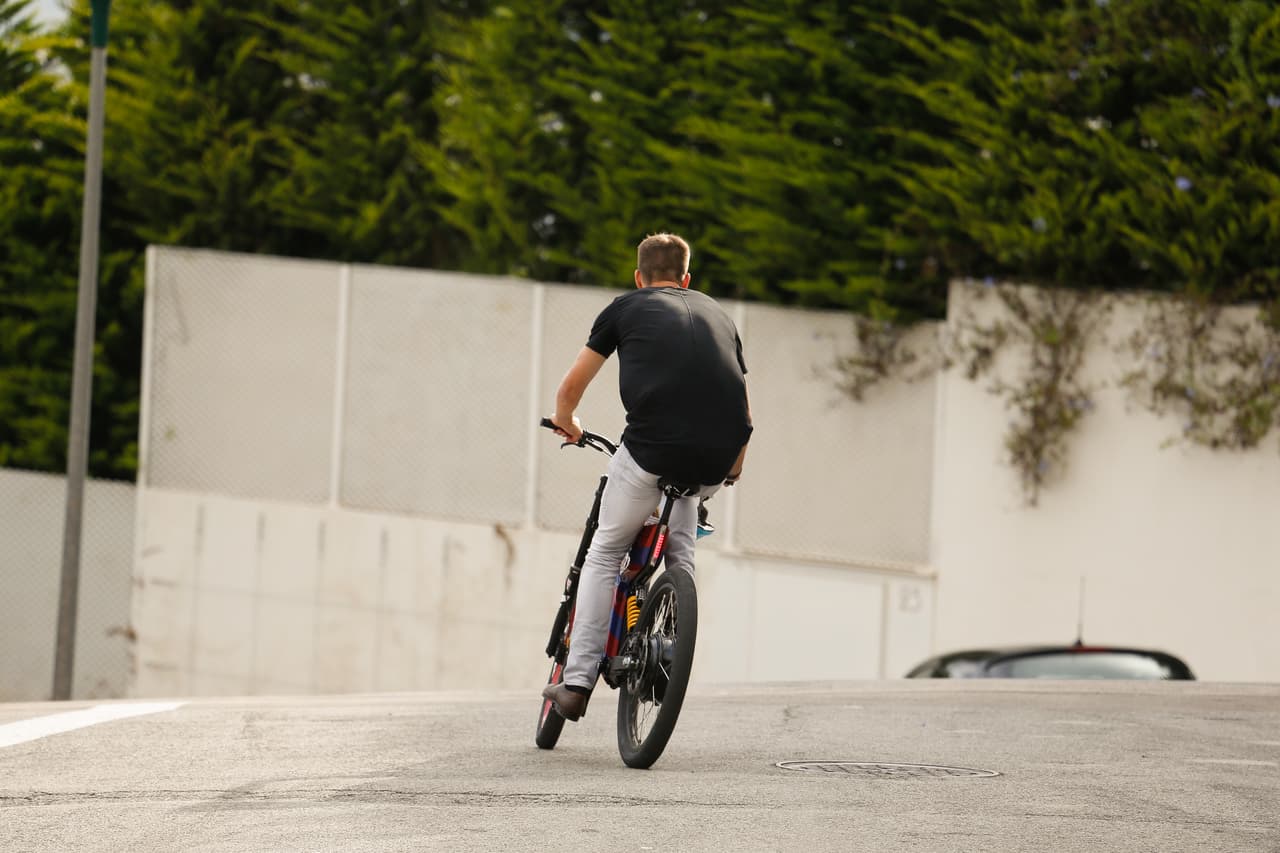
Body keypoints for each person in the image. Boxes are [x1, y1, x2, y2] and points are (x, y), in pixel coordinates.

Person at [542, 232, 752, 721]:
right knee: (682, 552)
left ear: (639, 277)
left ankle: (576, 683)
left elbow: (571, 386)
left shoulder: (624, 307)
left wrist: (568, 422)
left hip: (650, 452)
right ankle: (670, 649)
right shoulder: (721, 315)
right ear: (687, 279)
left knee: (605, 553)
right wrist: (732, 470)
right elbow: (742, 406)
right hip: (717, 457)